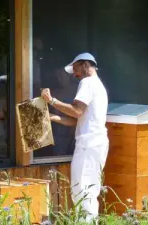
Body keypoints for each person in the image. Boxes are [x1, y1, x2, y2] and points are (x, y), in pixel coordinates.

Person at [41, 52, 109, 223]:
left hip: (89, 143)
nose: (75, 74)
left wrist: (52, 101)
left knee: (82, 189)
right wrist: (57, 118)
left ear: (85, 65)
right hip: (95, 142)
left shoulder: (87, 83)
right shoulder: (98, 85)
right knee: (88, 189)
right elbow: (80, 118)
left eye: (76, 69)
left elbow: (77, 111)